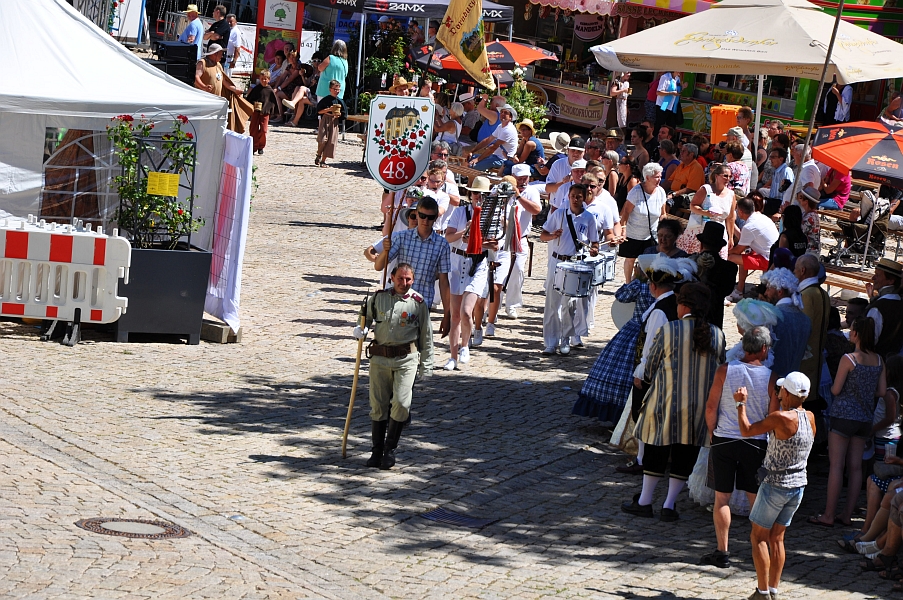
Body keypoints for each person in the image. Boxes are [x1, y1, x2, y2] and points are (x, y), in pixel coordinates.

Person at [622, 281, 726, 521]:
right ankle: (669, 505)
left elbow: (650, 367)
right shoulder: (717, 334)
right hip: (698, 408)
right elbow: (720, 368)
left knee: (656, 451)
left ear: (684, 305)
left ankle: (645, 501)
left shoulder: (669, 330)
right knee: (685, 455)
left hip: (665, 403)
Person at [700, 326, 777, 568]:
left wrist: (712, 433)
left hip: (725, 439)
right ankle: (759, 549)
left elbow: (711, 407)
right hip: (755, 443)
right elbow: (773, 416)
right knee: (756, 500)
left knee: (721, 498)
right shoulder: (771, 378)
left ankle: (722, 550)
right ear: (764, 349)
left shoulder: (725, 370)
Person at [737, 372, 815, 600]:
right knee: (778, 538)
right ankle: (772, 590)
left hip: (775, 485)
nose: (779, 394)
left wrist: (740, 404)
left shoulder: (780, 418)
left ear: (787, 393)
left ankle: (762, 593)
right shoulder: (810, 417)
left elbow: (746, 430)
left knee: (759, 537)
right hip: (798, 486)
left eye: (781, 391)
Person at [352, 263, 433, 470]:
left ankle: (390, 449)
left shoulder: (418, 303)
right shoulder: (378, 298)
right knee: (378, 405)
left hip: (406, 359)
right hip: (380, 359)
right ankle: (377, 451)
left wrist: (426, 366)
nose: (404, 283)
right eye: (400, 279)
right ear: (392, 278)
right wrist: (360, 329)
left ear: (413, 280)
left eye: (408, 279)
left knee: (402, 403)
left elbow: (426, 336)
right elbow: (365, 317)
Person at [809, 317, 886, 528]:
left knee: (836, 465)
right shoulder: (879, 360)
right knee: (856, 468)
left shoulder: (849, 359)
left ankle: (828, 514)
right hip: (864, 418)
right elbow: (881, 391)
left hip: (843, 416)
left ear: (857, 334)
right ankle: (847, 514)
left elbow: (835, 389)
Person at [443, 177, 499, 370]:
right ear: (470, 193)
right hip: (457, 262)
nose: (478, 197)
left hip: (477, 263)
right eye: (476, 193)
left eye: (483, 194)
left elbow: (495, 245)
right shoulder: (460, 212)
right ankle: (452, 357)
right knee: (455, 315)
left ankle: (465, 345)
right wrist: (465, 233)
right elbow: (448, 237)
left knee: (466, 311)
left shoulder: (492, 216)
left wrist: (477, 240)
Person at [540, 184, 600, 355]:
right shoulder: (559, 214)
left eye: (579, 196)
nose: (575, 199)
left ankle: (565, 339)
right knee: (552, 303)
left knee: (569, 304)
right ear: (568, 196)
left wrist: (594, 250)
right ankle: (550, 342)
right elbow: (543, 235)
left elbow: (595, 242)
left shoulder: (589, 218)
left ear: (584, 198)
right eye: (573, 196)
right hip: (557, 261)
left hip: (575, 263)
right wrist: (553, 236)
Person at [374, 196, 451, 323]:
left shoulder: (442, 245)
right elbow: (378, 266)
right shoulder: (401, 237)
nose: (425, 220)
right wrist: (385, 251)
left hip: (422, 304)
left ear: (435, 218)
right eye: (422, 216)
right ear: (417, 214)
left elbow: (444, 281)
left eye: (430, 217)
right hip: (398, 302)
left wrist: (447, 314)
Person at [490, 165, 541, 324]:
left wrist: (518, 196)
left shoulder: (531, 191)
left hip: (520, 237)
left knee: (517, 270)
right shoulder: (500, 188)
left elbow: (536, 210)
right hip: (501, 238)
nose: (523, 181)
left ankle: (511, 304)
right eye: (520, 178)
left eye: (525, 178)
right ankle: (493, 306)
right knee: (497, 272)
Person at [619, 162, 668, 283]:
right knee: (630, 259)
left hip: (651, 234)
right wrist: (623, 229)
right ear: (647, 177)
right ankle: (628, 283)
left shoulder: (661, 192)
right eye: (656, 177)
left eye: (660, 176)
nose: (659, 179)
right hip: (633, 233)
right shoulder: (636, 192)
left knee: (649, 261)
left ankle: (644, 284)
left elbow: (663, 213)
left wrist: (664, 227)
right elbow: (626, 212)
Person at [676, 163, 736, 258]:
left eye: (730, 176)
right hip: (701, 229)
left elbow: (730, 218)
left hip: (719, 231)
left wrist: (731, 237)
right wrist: (706, 213)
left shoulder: (731, 194)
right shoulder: (706, 189)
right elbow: (693, 205)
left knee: (717, 260)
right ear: (716, 176)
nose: (728, 179)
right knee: (693, 259)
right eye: (725, 176)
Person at [760, 268, 811, 380]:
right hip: (792, 381)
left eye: (768, 288)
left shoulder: (772, 316)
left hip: (770, 380)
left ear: (780, 291)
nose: (765, 293)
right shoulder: (806, 320)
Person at [727, 196, 779, 302]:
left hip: (768, 260)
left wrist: (724, 252)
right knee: (744, 255)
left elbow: (738, 250)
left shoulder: (749, 226)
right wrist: (731, 223)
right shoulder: (761, 217)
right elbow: (744, 239)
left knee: (731, 257)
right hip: (773, 255)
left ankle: (737, 290)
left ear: (740, 212)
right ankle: (739, 290)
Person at [795, 254, 830, 409]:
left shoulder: (806, 295)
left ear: (802, 270)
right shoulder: (823, 294)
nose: (794, 272)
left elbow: (803, 330)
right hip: (816, 357)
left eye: (796, 269)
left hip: (805, 360)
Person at [194, 44, 252, 134]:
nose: (222, 56)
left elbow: (224, 81)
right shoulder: (203, 63)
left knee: (214, 126)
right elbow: (196, 77)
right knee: (204, 126)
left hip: (217, 102)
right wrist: (204, 87)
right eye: (220, 53)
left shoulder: (218, 65)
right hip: (205, 102)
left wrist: (235, 89)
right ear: (215, 54)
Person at [691, 222, 738, 329]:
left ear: (701, 245)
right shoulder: (730, 268)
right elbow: (728, 291)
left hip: (693, 312)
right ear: (720, 248)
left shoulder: (691, 263)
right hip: (716, 313)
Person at [865, 258, 903, 358]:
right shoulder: (899, 302)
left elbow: (868, 342)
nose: (873, 278)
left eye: (877, 275)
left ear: (890, 281)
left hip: (876, 361)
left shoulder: (878, 308)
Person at [467, 105, 518, 172]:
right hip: (495, 156)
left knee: (472, 165)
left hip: (503, 159)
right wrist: (472, 151)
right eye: (501, 112)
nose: (502, 114)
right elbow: (488, 140)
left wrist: (477, 159)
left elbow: (493, 147)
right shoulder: (500, 126)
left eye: (506, 113)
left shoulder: (508, 130)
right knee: (471, 158)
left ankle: (470, 178)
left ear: (510, 117)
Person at [245, 69, 279, 155]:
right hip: (256, 112)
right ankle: (254, 146)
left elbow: (272, 102)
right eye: (262, 79)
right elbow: (250, 100)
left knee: (263, 130)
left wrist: (269, 110)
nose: (263, 80)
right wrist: (254, 105)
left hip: (265, 113)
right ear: (259, 79)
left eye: (265, 79)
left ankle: (261, 146)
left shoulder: (270, 90)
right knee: (253, 129)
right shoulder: (256, 89)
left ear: (269, 79)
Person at [313, 80, 346, 168]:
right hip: (326, 119)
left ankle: (323, 161)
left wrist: (339, 115)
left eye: (338, 89)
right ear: (330, 89)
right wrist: (329, 109)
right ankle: (318, 154)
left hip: (334, 121)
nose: (337, 91)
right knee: (322, 139)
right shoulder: (325, 100)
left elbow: (344, 114)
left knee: (331, 142)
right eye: (335, 89)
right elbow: (319, 111)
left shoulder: (340, 101)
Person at [762, 148, 793, 217]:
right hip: (773, 201)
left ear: (781, 159)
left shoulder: (786, 171)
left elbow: (789, 190)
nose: (770, 159)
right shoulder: (776, 171)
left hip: (780, 203)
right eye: (770, 157)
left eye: (773, 157)